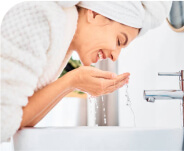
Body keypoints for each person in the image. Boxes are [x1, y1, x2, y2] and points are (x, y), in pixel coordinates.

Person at [0, 1, 172, 142]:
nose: (115, 56)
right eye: (119, 40)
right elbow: (4, 121)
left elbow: (19, 119)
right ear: (95, 14)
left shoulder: (61, 38)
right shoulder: (40, 18)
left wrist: (71, 82)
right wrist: (71, 80)